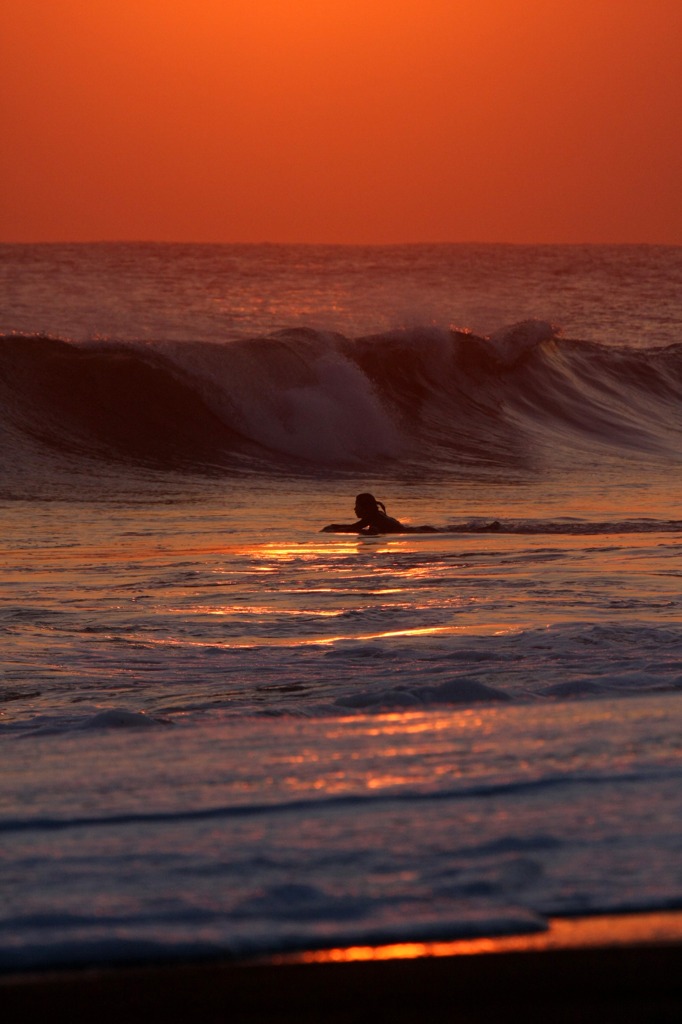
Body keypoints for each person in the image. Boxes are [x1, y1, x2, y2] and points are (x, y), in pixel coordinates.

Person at [321, 493, 438, 535]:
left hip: (415, 532)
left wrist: (334, 529)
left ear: (365, 508)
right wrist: (334, 527)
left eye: (357, 506)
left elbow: (360, 529)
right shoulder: (376, 515)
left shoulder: (374, 518)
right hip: (418, 530)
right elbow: (356, 526)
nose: (354, 509)